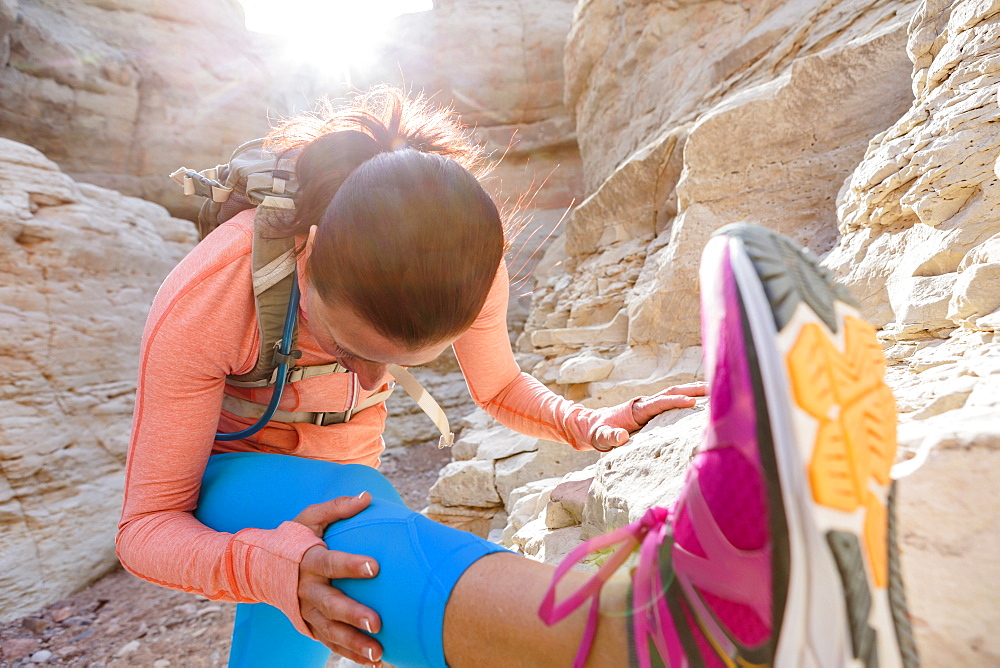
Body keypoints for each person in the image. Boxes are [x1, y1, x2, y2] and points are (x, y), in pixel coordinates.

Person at [117, 87, 916, 668]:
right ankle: (650, 627)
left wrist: (593, 422)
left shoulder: (462, 257)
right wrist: (258, 563)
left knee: (307, 602)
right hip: (225, 475)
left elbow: (497, 388)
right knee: (342, 529)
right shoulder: (210, 298)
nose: (367, 377)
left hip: (334, 477)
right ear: (310, 249)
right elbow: (144, 527)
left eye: (397, 363)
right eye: (351, 345)